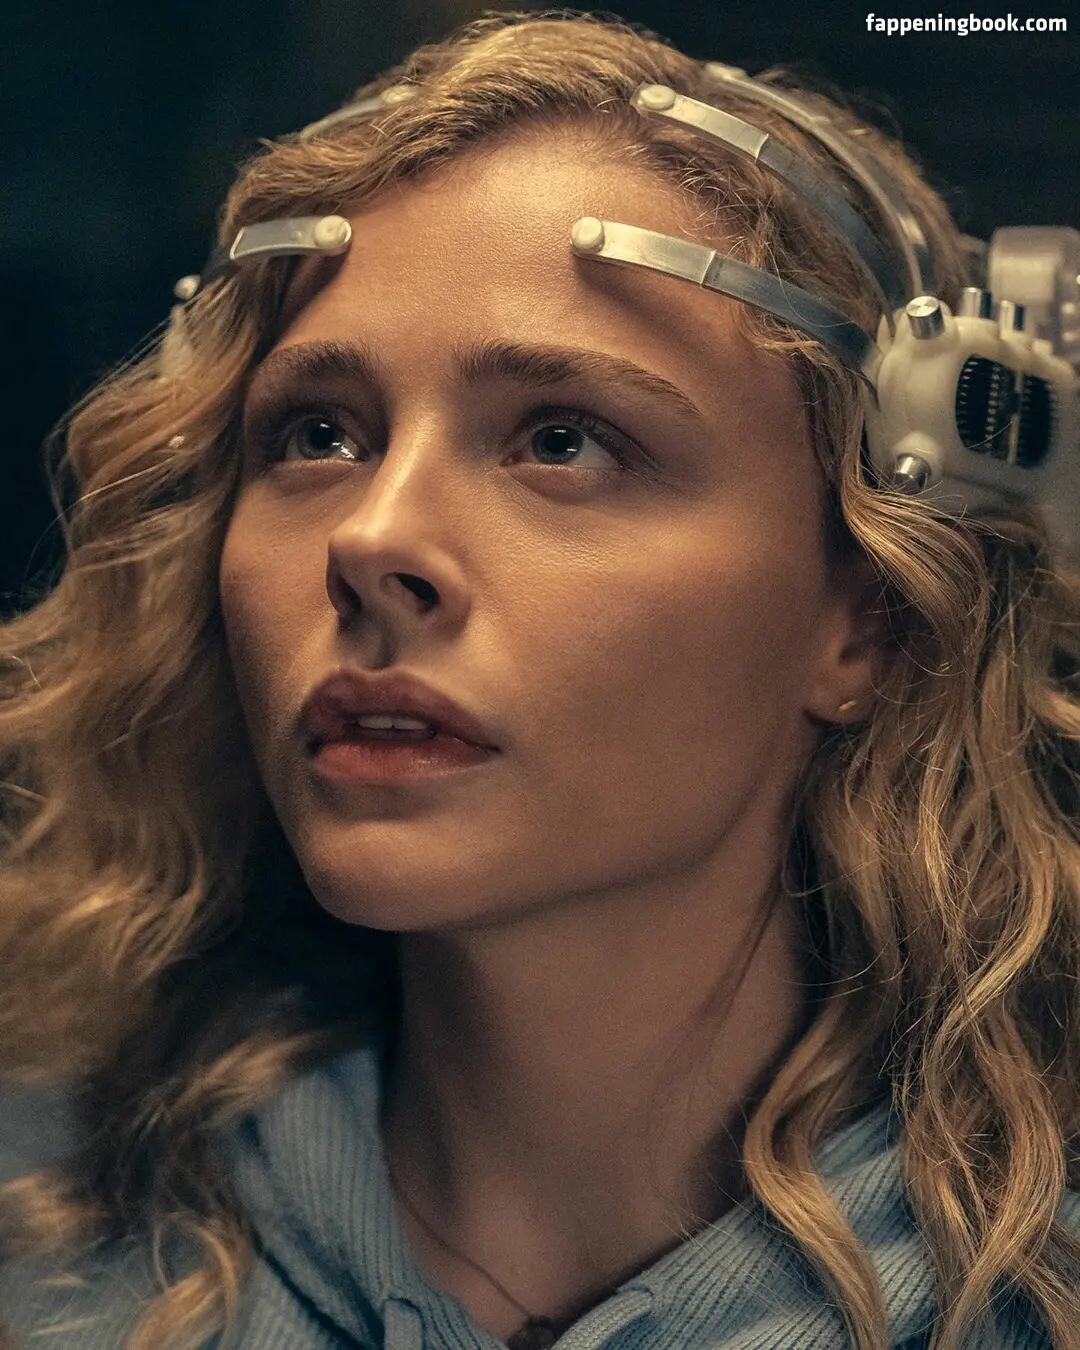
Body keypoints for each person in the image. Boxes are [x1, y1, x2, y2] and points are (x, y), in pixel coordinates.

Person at [1, 10, 1078, 1350]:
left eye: (563, 440)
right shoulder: (43, 1248)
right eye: (319, 434)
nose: (371, 540)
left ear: (865, 621)